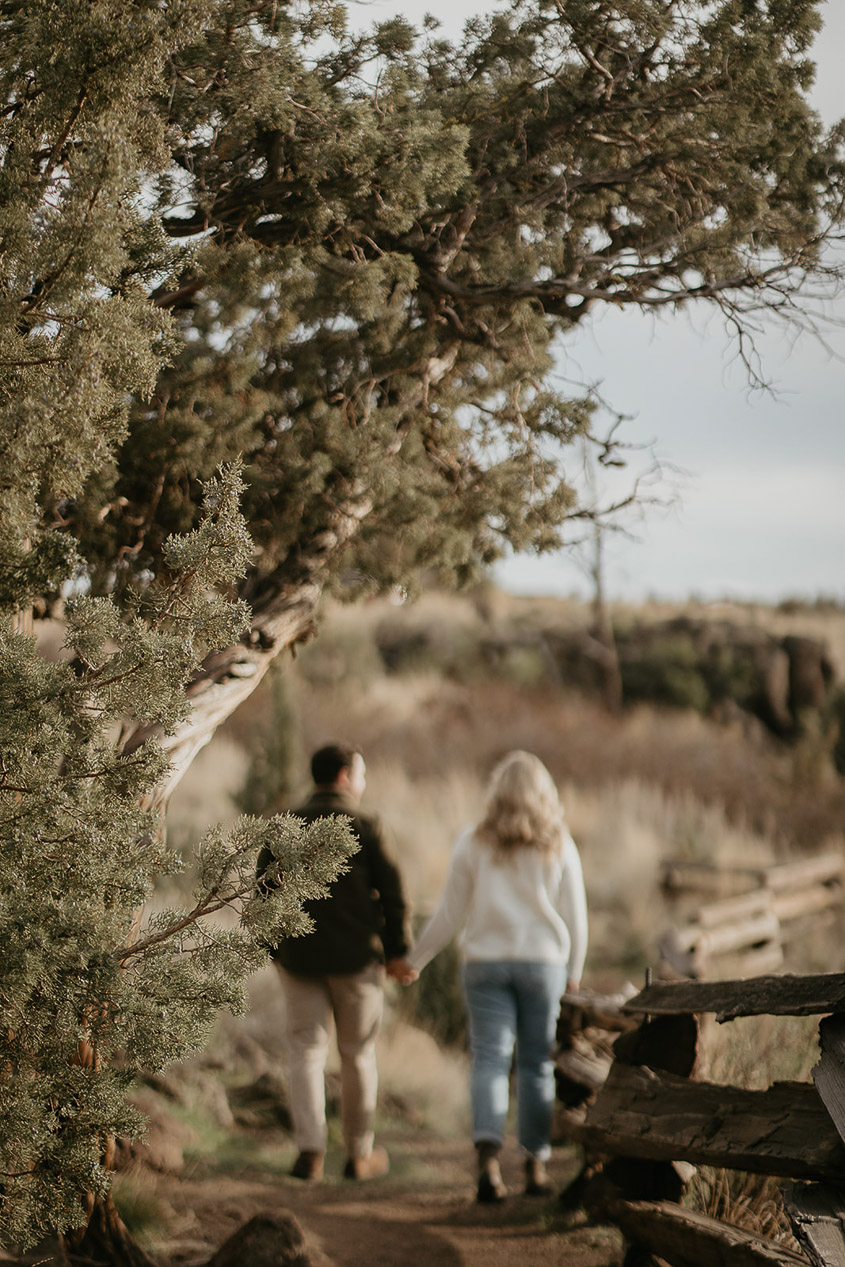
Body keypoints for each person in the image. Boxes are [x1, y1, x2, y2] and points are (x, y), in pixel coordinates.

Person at [402, 750, 588, 1204]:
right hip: (543, 964)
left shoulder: (472, 841)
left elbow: (449, 913)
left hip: (485, 964)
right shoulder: (559, 842)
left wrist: (416, 959)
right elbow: (577, 918)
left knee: (488, 1060)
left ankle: (487, 1164)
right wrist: (575, 975)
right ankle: (536, 1166)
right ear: (544, 795)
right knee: (536, 1065)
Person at [257, 743, 413, 1182]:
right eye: (360, 774)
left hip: (299, 959)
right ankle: (359, 1155)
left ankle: (310, 1153)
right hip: (357, 963)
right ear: (345, 776)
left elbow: (262, 896)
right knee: (357, 1054)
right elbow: (396, 896)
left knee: (305, 1052)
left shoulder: (284, 825)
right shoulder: (367, 824)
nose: (362, 784)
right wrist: (398, 951)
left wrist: (276, 952)